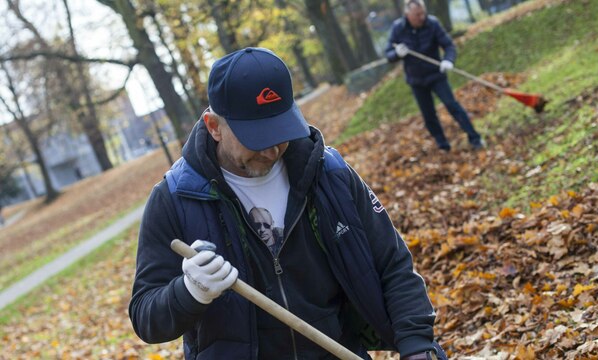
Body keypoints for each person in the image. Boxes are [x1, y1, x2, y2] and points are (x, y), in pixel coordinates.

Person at [129, 47, 447, 360]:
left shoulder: (329, 174)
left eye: (280, 131)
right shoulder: (175, 198)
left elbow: (391, 263)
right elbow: (146, 317)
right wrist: (190, 291)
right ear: (214, 126)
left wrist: (418, 344)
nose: (272, 151)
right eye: (257, 137)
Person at [386, 0, 483, 151]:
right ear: (407, 14)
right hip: (416, 80)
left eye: (423, 13)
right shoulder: (398, 28)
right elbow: (388, 54)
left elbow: (448, 45)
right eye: (417, 14)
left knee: (452, 106)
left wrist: (448, 60)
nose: (421, 17)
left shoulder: (432, 24)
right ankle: (443, 145)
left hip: (436, 75)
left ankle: (475, 138)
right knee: (428, 115)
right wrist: (397, 54)